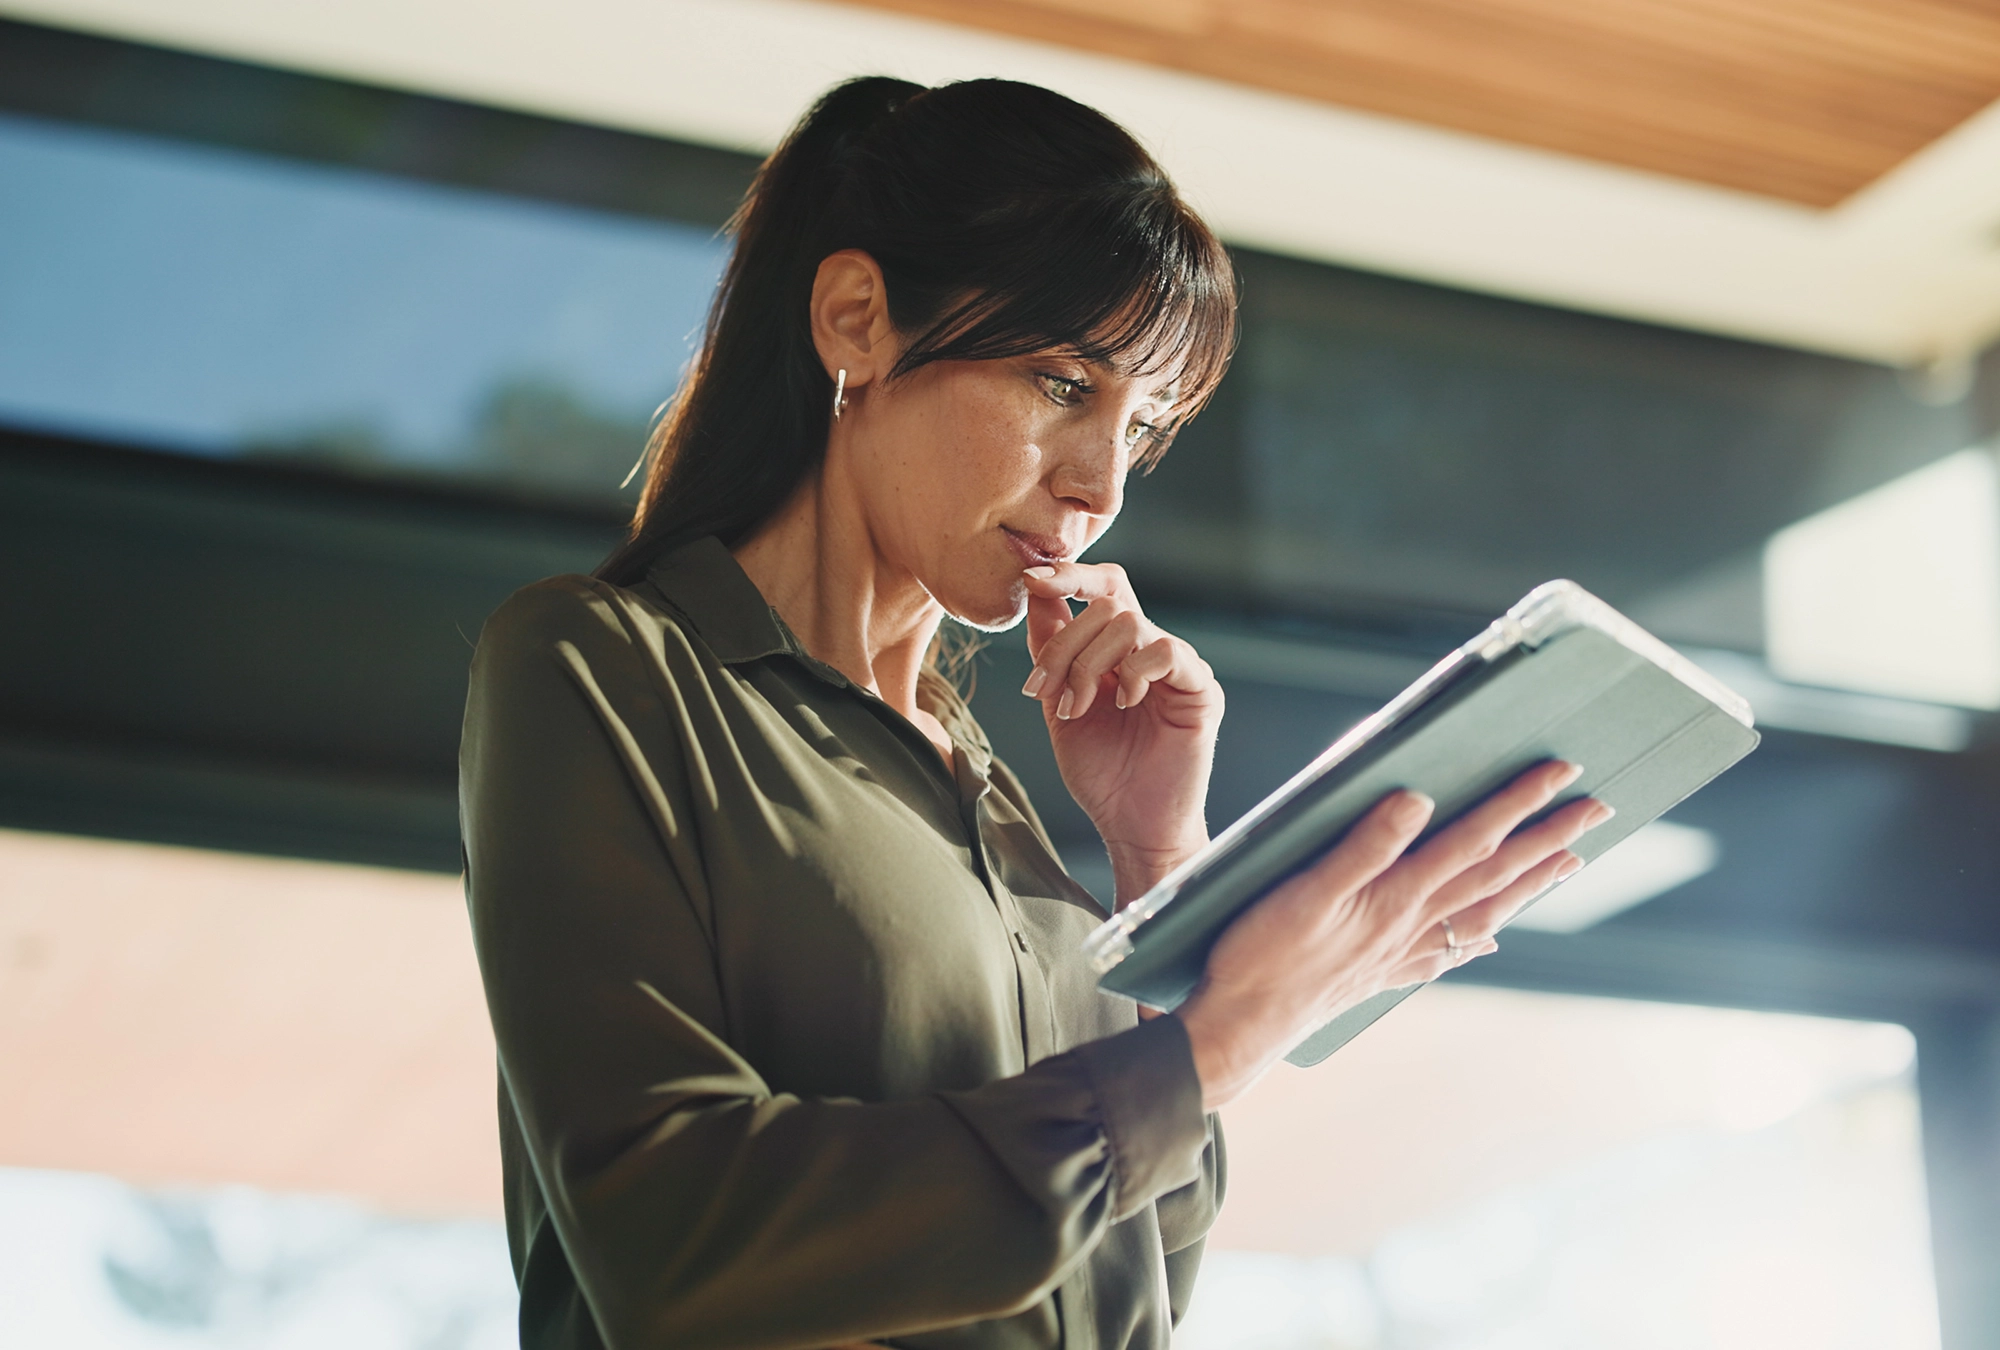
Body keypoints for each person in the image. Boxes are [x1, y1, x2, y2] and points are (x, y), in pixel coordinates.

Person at [459, 75, 1609, 1350]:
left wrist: (1157, 871)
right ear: (855, 321)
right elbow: (675, 1246)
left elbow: (1139, 1292)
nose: (1098, 483)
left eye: (1143, 422)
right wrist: (1218, 1044)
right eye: (1063, 385)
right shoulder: (603, 665)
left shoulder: (994, 792)